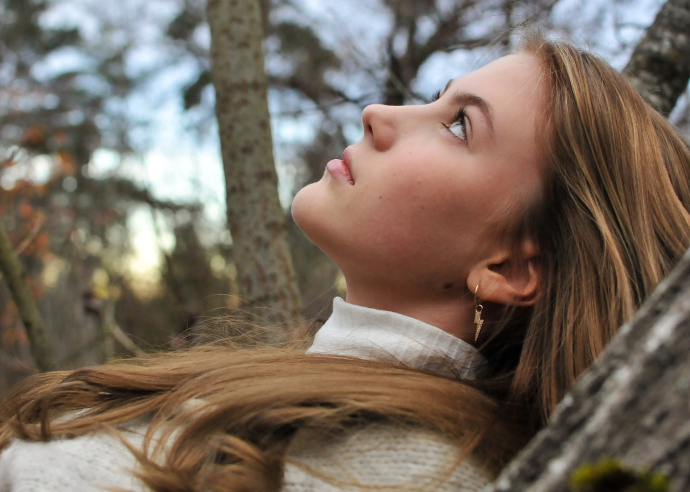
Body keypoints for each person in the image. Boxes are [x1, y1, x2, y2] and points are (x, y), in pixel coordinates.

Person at [1, 30, 690, 492]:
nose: (377, 112)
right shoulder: (307, 387)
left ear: (509, 269)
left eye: (458, 124)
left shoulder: (416, 472)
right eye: (436, 98)